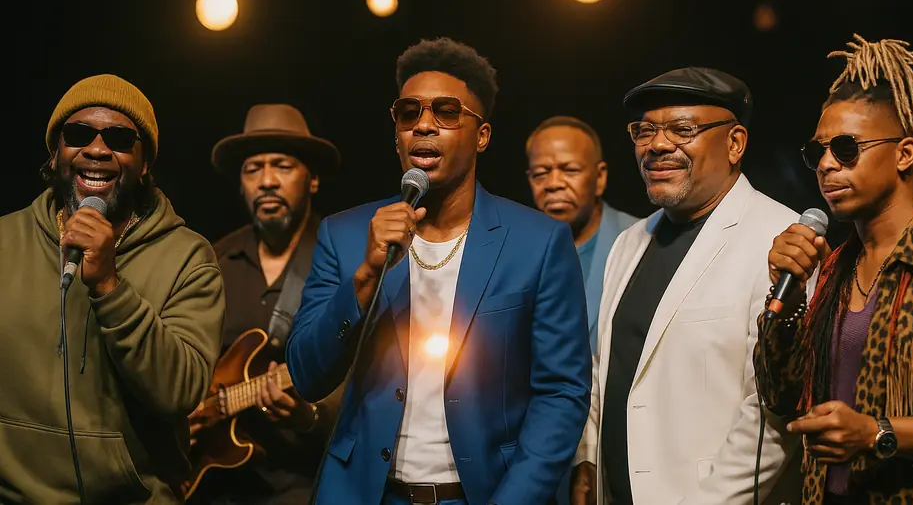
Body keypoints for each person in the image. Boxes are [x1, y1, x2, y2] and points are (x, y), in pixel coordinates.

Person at [286, 37, 592, 505]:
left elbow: (562, 393)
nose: (423, 125)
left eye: (446, 112)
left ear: (482, 135)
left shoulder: (539, 242)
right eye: (408, 113)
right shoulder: (345, 235)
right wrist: (365, 278)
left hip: (481, 496)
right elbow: (307, 375)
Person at [754, 35, 913, 504]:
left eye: (847, 148)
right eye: (817, 152)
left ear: (905, 153)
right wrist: (784, 299)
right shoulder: (830, 272)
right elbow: (781, 398)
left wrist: (877, 434)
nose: (826, 164)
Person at [572, 67, 803, 505]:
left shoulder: (779, 240)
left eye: (682, 129)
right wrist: (587, 459)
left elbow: (774, 410)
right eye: (644, 131)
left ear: (735, 143)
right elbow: (605, 369)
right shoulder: (629, 242)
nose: (657, 145)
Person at [0, 74, 226, 504]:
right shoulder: (5, 241)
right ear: (56, 153)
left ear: (144, 164)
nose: (98, 149)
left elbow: (180, 390)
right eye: (78, 134)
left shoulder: (188, 257)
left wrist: (108, 283)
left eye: (120, 139)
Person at [184, 104, 343, 504]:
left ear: (313, 180)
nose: (267, 181)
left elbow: (362, 375)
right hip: (213, 482)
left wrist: (312, 415)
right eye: (252, 169)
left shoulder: (342, 261)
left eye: (283, 166)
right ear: (241, 184)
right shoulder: (213, 259)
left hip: (302, 484)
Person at [525, 116, 639, 352]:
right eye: (540, 173)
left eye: (570, 170)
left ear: (600, 177)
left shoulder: (641, 242)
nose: (553, 183)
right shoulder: (515, 249)